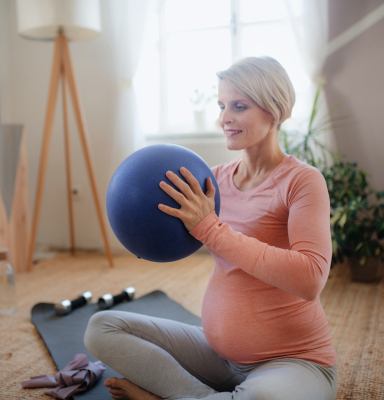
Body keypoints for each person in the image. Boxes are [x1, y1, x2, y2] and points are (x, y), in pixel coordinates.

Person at [84, 56, 338, 400]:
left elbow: (310, 279)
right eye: (222, 106)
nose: (224, 118)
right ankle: (196, 396)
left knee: (259, 398)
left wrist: (210, 228)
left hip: (292, 362)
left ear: (274, 110)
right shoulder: (211, 181)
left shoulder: (302, 181)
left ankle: (168, 396)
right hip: (218, 355)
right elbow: (167, 225)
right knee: (102, 328)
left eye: (239, 106)